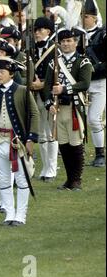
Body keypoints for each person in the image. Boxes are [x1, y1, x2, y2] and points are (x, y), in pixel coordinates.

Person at [0, 57, 39, 226]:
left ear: (11, 74)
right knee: (4, 180)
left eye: (2, 72)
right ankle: (9, 214)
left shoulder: (22, 90)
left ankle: (20, 216)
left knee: (22, 180)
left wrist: (30, 139)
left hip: (18, 142)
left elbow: (34, 115)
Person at [43, 28, 93, 191]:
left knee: (75, 144)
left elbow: (84, 84)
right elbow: (47, 86)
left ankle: (76, 179)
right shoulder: (54, 62)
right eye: (63, 41)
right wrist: (49, 103)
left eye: (69, 41)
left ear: (76, 43)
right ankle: (69, 179)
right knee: (63, 144)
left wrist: (64, 89)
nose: (66, 44)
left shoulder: (83, 61)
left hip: (74, 108)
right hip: (58, 109)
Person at [30, 16, 59, 182]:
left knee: (51, 133)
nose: (37, 33)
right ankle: (44, 167)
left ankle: (52, 169)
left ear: (48, 31)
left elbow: (56, 72)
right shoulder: (33, 48)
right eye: (35, 30)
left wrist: (42, 85)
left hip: (48, 94)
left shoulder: (54, 48)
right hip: (35, 95)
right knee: (41, 134)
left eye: (40, 30)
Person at [83, 0, 106, 167]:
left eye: (87, 17)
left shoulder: (102, 34)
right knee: (80, 120)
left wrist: (97, 68)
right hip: (82, 84)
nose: (84, 19)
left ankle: (100, 154)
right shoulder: (77, 34)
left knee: (94, 119)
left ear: (94, 18)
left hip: (100, 83)